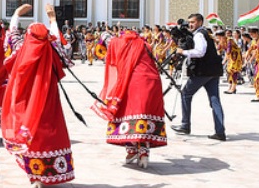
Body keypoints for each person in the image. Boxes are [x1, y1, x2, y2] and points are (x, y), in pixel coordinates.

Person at [2, 3, 75, 188]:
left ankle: (34, 173)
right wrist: (52, 19)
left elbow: (11, 35)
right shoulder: (50, 48)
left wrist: (17, 13)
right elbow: (62, 45)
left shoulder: (22, 48)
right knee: (48, 129)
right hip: (48, 96)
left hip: (25, 99)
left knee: (29, 129)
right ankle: (47, 170)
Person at [93, 29, 167, 169]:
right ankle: (141, 152)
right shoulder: (145, 44)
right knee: (144, 116)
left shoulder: (121, 43)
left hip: (135, 81)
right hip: (153, 82)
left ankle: (134, 149)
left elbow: (103, 45)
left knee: (127, 113)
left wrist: (105, 33)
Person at [170, 13, 226, 141]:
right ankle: (220, 131)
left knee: (185, 94)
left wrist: (182, 52)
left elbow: (200, 52)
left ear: (200, 22)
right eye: (189, 22)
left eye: (193, 22)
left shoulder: (200, 34)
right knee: (214, 100)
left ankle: (185, 125)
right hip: (213, 71)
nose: (190, 24)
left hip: (203, 71)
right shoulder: (203, 33)